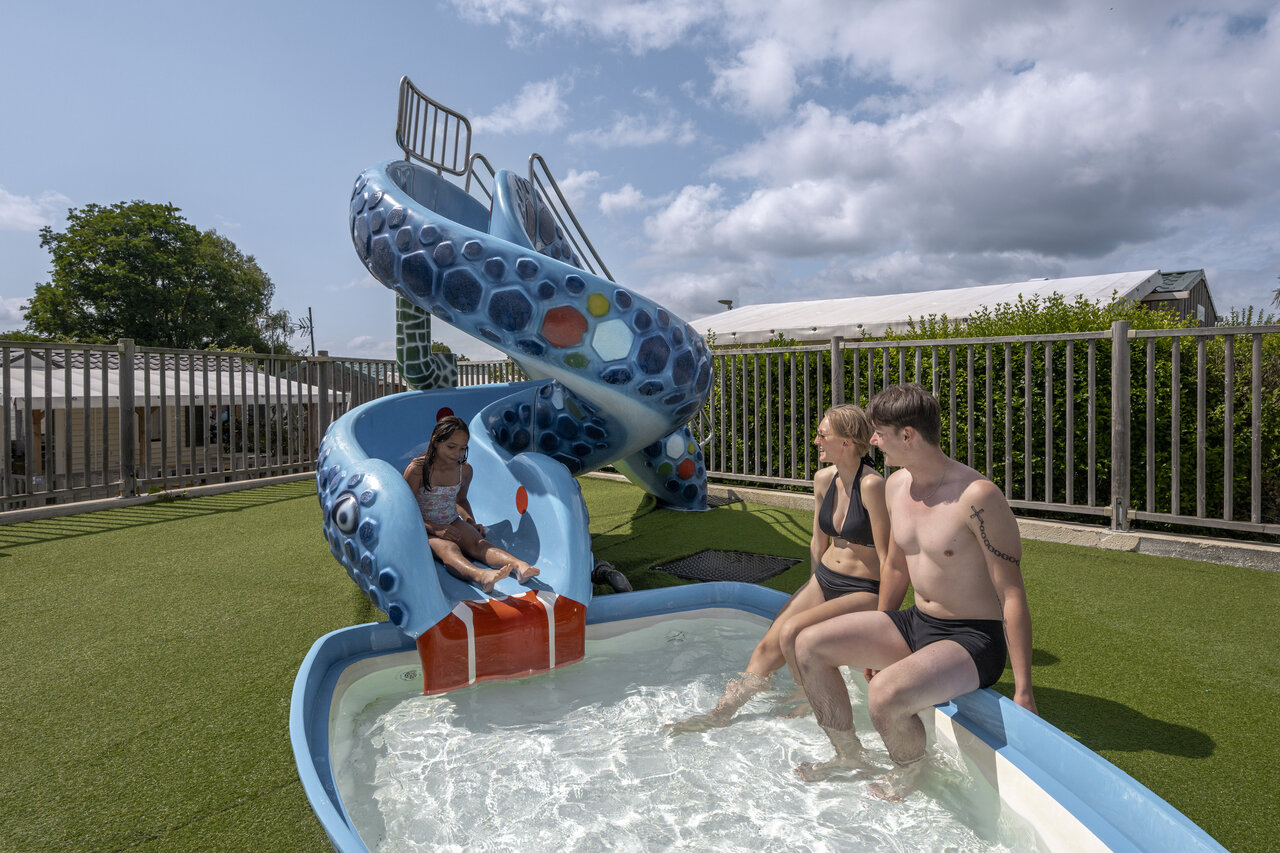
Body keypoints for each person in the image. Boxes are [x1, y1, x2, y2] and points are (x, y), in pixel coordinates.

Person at [792, 383, 1035, 799]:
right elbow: (896, 566)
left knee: (884, 696)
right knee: (808, 644)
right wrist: (880, 626)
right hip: (916, 622)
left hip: (972, 636)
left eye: (879, 432)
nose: (872, 440)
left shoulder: (977, 497)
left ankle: (912, 773)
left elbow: (1011, 593)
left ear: (908, 435)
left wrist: (1024, 689)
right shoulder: (895, 487)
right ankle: (848, 754)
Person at [668, 404, 890, 732]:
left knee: (792, 633)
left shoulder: (872, 485)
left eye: (823, 435)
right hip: (827, 578)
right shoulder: (823, 479)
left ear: (846, 443)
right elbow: (819, 543)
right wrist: (814, 588)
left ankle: (808, 695)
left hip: (861, 588)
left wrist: (883, 624)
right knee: (768, 646)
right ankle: (720, 714)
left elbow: (888, 557)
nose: (816, 441)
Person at [404, 415, 539, 592]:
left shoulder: (464, 470)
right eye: (451, 447)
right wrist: (435, 528)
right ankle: (481, 577)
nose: (457, 454)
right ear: (436, 442)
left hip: (452, 521)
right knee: (448, 548)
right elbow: (406, 513)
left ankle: (519, 566)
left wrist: (470, 522)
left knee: (480, 544)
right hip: (423, 528)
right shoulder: (417, 470)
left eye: (462, 448)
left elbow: (460, 500)